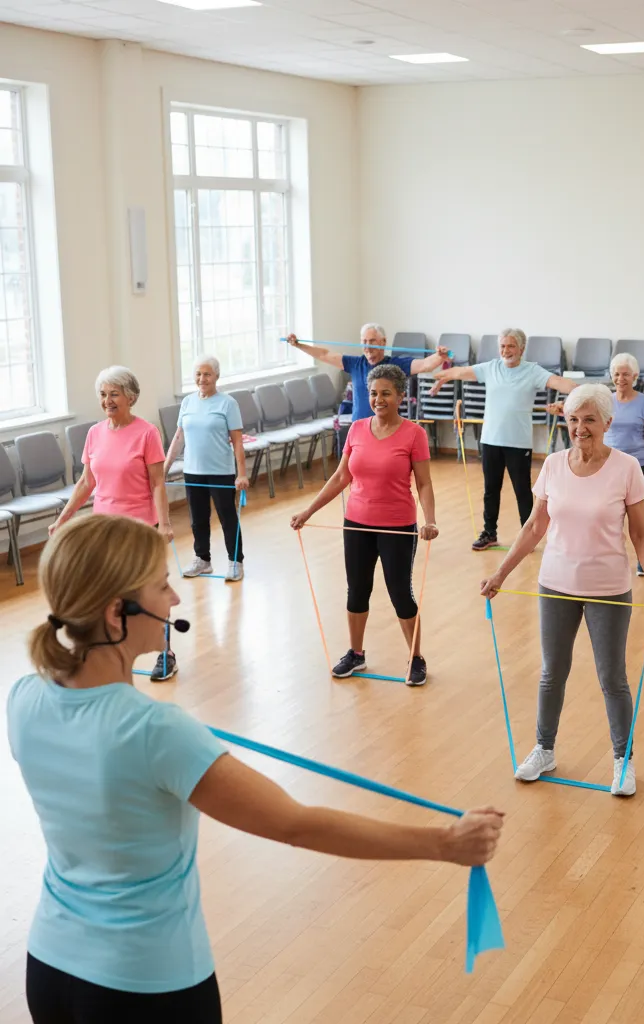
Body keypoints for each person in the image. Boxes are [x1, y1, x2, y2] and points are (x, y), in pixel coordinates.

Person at [8, 514, 503, 1024]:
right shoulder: (156, 730)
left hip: (50, 967)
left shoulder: (24, 697)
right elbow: (295, 825)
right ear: (118, 613)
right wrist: (445, 844)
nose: (174, 599)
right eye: (161, 586)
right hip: (147, 986)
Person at [479, 384, 644, 797]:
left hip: (608, 587)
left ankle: (623, 760)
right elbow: (535, 526)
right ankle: (544, 750)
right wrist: (501, 574)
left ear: (607, 423)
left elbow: (640, 533)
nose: (580, 428)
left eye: (589, 420)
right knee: (552, 673)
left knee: (612, 677)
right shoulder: (553, 465)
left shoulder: (626, 468)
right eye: (573, 420)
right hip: (556, 584)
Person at [290, 364, 439, 685]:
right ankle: (356, 654)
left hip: (397, 526)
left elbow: (424, 483)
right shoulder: (356, 429)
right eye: (373, 393)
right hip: (357, 523)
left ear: (401, 396)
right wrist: (308, 511)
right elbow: (341, 477)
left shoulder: (414, 434)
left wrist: (430, 520)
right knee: (357, 590)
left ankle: (416, 657)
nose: (378, 399)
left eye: (386, 393)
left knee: (400, 593)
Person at [49, 366, 177, 682]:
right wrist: (63, 518)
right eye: (103, 394)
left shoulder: (147, 433)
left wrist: (164, 524)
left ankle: (166, 652)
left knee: (149, 591)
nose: (107, 400)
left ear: (130, 397)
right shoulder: (95, 433)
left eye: (114, 394)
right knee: (106, 593)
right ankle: (109, 651)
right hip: (104, 529)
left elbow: (158, 483)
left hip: (139, 528)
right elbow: (86, 482)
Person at [428, 328, 579, 551]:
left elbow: (562, 384)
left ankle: (528, 535)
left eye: (511, 346)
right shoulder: (491, 368)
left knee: (522, 491)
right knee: (491, 490)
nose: (506, 351)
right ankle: (489, 533)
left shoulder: (532, 371)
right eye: (502, 346)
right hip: (491, 440)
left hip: (518, 442)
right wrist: (441, 377)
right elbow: (461, 372)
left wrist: (579, 395)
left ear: (521, 349)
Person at [550, 352, 644, 576]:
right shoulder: (606, 401)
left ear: (635, 376)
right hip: (606, 464)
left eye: (625, 374)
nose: (620, 378)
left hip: (638, 465)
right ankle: (598, 554)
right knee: (603, 512)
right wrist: (562, 407)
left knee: (640, 516)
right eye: (616, 374)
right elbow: (581, 411)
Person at [163, 356, 248, 583]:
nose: (202, 379)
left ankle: (235, 561)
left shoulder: (228, 403)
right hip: (193, 470)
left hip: (221, 471)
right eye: (198, 374)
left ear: (216, 376)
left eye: (207, 374)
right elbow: (178, 438)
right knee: (197, 518)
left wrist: (241, 474)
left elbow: (237, 442)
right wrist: (164, 469)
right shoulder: (187, 402)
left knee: (227, 518)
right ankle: (202, 559)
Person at [286, 323, 449, 422]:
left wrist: (439, 356)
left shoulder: (395, 364)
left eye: (372, 341)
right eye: (364, 342)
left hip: (386, 428)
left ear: (383, 342)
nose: (367, 346)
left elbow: (424, 365)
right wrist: (298, 345)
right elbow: (324, 354)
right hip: (359, 427)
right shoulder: (355, 363)